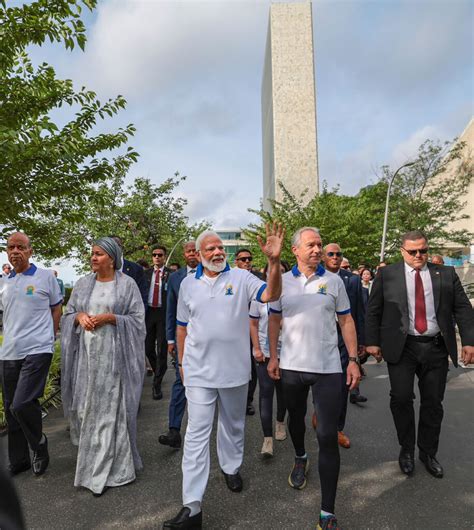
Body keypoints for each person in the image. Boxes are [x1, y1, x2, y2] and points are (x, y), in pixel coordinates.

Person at [163, 224, 284, 529]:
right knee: (195, 435)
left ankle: (231, 467)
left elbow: (271, 293)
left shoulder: (242, 278)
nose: (218, 252)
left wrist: (272, 262)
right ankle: (192, 506)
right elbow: (181, 327)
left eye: (221, 248)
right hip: (198, 371)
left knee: (232, 425)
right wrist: (181, 363)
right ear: (199, 255)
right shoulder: (188, 285)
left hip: (234, 371)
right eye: (211, 249)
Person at [267, 227, 360, 530]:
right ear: (295, 250)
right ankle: (299, 456)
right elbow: (274, 318)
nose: (318, 249)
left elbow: (346, 319)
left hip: (328, 368)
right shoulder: (282, 282)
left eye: (320, 244)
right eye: (311, 245)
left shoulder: (333, 281)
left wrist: (354, 359)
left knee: (327, 436)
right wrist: (272, 356)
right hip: (292, 368)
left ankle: (327, 512)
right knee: (296, 421)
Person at [366, 230, 474, 479]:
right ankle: (406, 449)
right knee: (401, 398)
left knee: (433, 403)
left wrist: (469, 341)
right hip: (402, 347)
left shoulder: (445, 274)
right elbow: (374, 309)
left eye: (423, 250)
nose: (418, 255)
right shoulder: (388, 275)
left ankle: (427, 452)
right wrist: (371, 342)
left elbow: (463, 308)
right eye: (412, 251)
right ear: (402, 251)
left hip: (436, 347)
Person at [60, 237, 146, 496]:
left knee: (111, 414)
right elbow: (68, 313)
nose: (93, 258)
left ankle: (114, 472)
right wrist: (79, 316)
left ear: (112, 257)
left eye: (98, 254)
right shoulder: (83, 284)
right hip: (87, 360)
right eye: (92, 254)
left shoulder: (127, 284)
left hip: (115, 360)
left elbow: (138, 320)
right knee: (88, 411)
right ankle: (89, 469)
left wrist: (111, 318)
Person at [0, 232, 62, 477]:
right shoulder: (4, 282)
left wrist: (51, 335)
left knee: (22, 402)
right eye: (10, 247)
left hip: (38, 348)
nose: (15, 251)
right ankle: (19, 460)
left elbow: (56, 307)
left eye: (20, 247)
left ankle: (39, 445)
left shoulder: (45, 277)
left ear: (30, 251)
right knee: (10, 407)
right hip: (9, 352)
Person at [319, 243, 367, 450]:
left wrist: (361, 342)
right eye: (331, 254)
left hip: (344, 340)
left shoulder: (353, 280)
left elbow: (359, 312)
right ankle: (319, 414)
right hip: (320, 339)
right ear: (322, 256)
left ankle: (338, 427)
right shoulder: (315, 278)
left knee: (342, 385)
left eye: (339, 254)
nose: (335, 257)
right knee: (320, 384)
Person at [159, 241, 199, 450]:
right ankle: (174, 430)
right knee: (180, 381)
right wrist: (171, 340)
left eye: (195, 250)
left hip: (207, 341)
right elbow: (170, 310)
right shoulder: (175, 278)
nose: (192, 253)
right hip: (183, 339)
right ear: (184, 254)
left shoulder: (214, 275)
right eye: (189, 251)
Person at [249, 260, 290, 457]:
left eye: (281, 271)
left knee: (283, 392)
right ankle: (267, 439)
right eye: (272, 271)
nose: (276, 274)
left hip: (288, 353)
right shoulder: (259, 296)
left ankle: (280, 423)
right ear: (265, 274)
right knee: (265, 393)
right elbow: (253, 324)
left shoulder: (292, 294)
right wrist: (256, 348)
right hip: (265, 353)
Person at [144, 245, 171, 400]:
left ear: (164, 257)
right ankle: (157, 370)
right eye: (154, 255)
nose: (157, 257)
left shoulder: (171, 274)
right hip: (148, 313)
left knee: (162, 349)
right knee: (148, 348)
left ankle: (157, 383)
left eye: (160, 255)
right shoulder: (145, 274)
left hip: (163, 314)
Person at [234, 247, 258, 415]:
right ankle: (232, 398)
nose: (247, 262)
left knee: (253, 366)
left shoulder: (258, 279)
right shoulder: (230, 279)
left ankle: (248, 401)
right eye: (243, 259)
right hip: (235, 329)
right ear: (236, 261)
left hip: (254, 329)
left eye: (249, 259)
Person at [109, 236, 148, 306]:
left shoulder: (136, 269)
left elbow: (143, 296)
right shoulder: (99, 269)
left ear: (121, 248)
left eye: (116, 245)